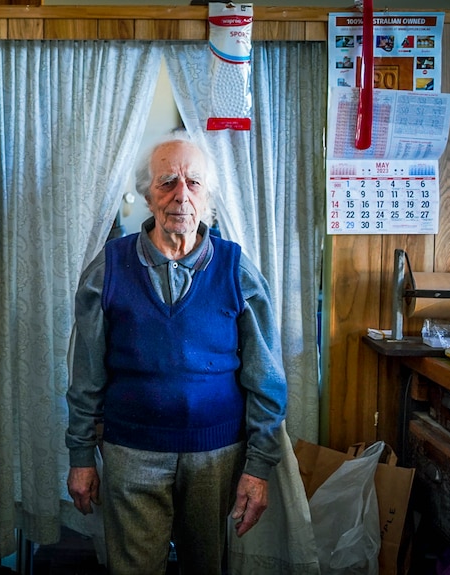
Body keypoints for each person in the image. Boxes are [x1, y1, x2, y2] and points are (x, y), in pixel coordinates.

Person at [65, 134, 288, 575]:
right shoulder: (107, 270)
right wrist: (80, 457)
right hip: (131, 451)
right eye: (167, 182)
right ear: (147, 195)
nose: (181, 195)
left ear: (208, 199)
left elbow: (266, 378)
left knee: (206, 567)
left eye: (193, 183)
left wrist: (259, 467)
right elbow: (85, 377)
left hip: (217, 455)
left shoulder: (236, 269)